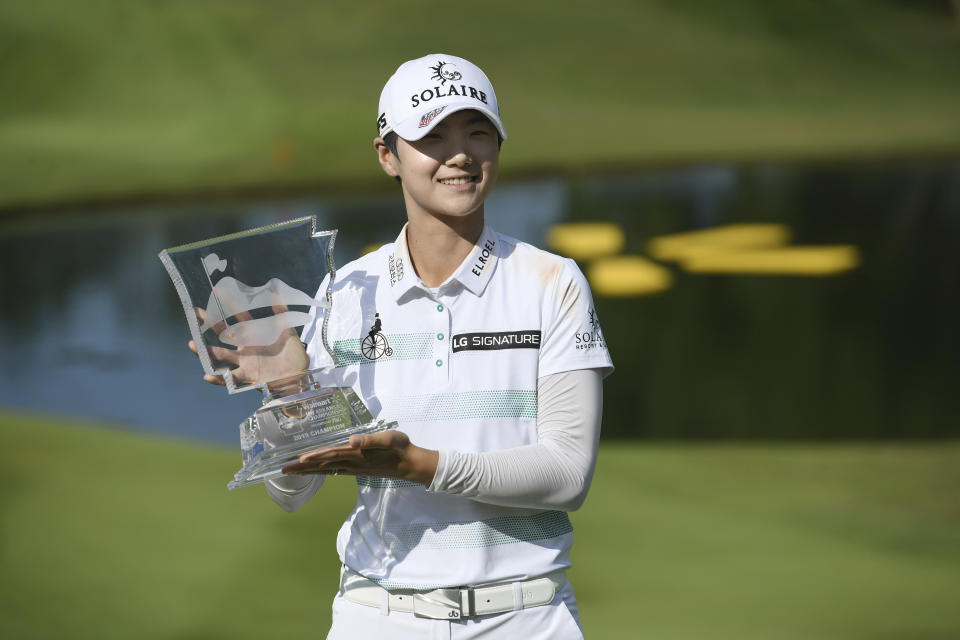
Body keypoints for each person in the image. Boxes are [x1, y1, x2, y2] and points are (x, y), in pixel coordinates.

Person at [193, 53, 613, 639]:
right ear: (388, 155)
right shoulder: (345, 292)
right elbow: (290, 491)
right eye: (432, 136)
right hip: (379, 617)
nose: (460, 153)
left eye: (477, 131)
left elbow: (568, 474)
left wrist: (418, 466)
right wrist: (289, 395)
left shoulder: (551, 282)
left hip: (526, 617)